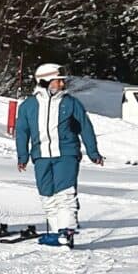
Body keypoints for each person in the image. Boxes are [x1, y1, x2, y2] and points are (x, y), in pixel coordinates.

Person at [14, 63, 103, 247]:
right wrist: (22, 156)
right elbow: (22, 131)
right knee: (47, 195)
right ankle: (56, 233)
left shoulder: (70, 103)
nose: (62, 85)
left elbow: (85, 127)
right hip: (41, 156)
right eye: (58, 81)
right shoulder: (28, 106)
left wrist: (93, 152)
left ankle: (66, 230)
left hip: (66, 154)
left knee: (65, 193)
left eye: (63, 81)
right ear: (44, 81)